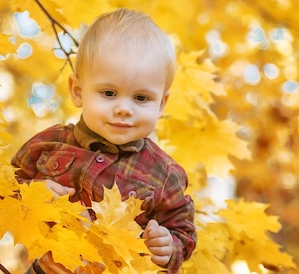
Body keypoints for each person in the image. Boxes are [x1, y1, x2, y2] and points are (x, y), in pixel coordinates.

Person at [12, 8, 196, 274]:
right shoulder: (51, 144)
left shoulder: (164, 174)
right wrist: (33, 192)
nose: (124, 109)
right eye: (109, 93)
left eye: (141, 98)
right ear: (77, 91)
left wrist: (168, 246)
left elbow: (182, 231)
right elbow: (5, 188)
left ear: (161, 103)